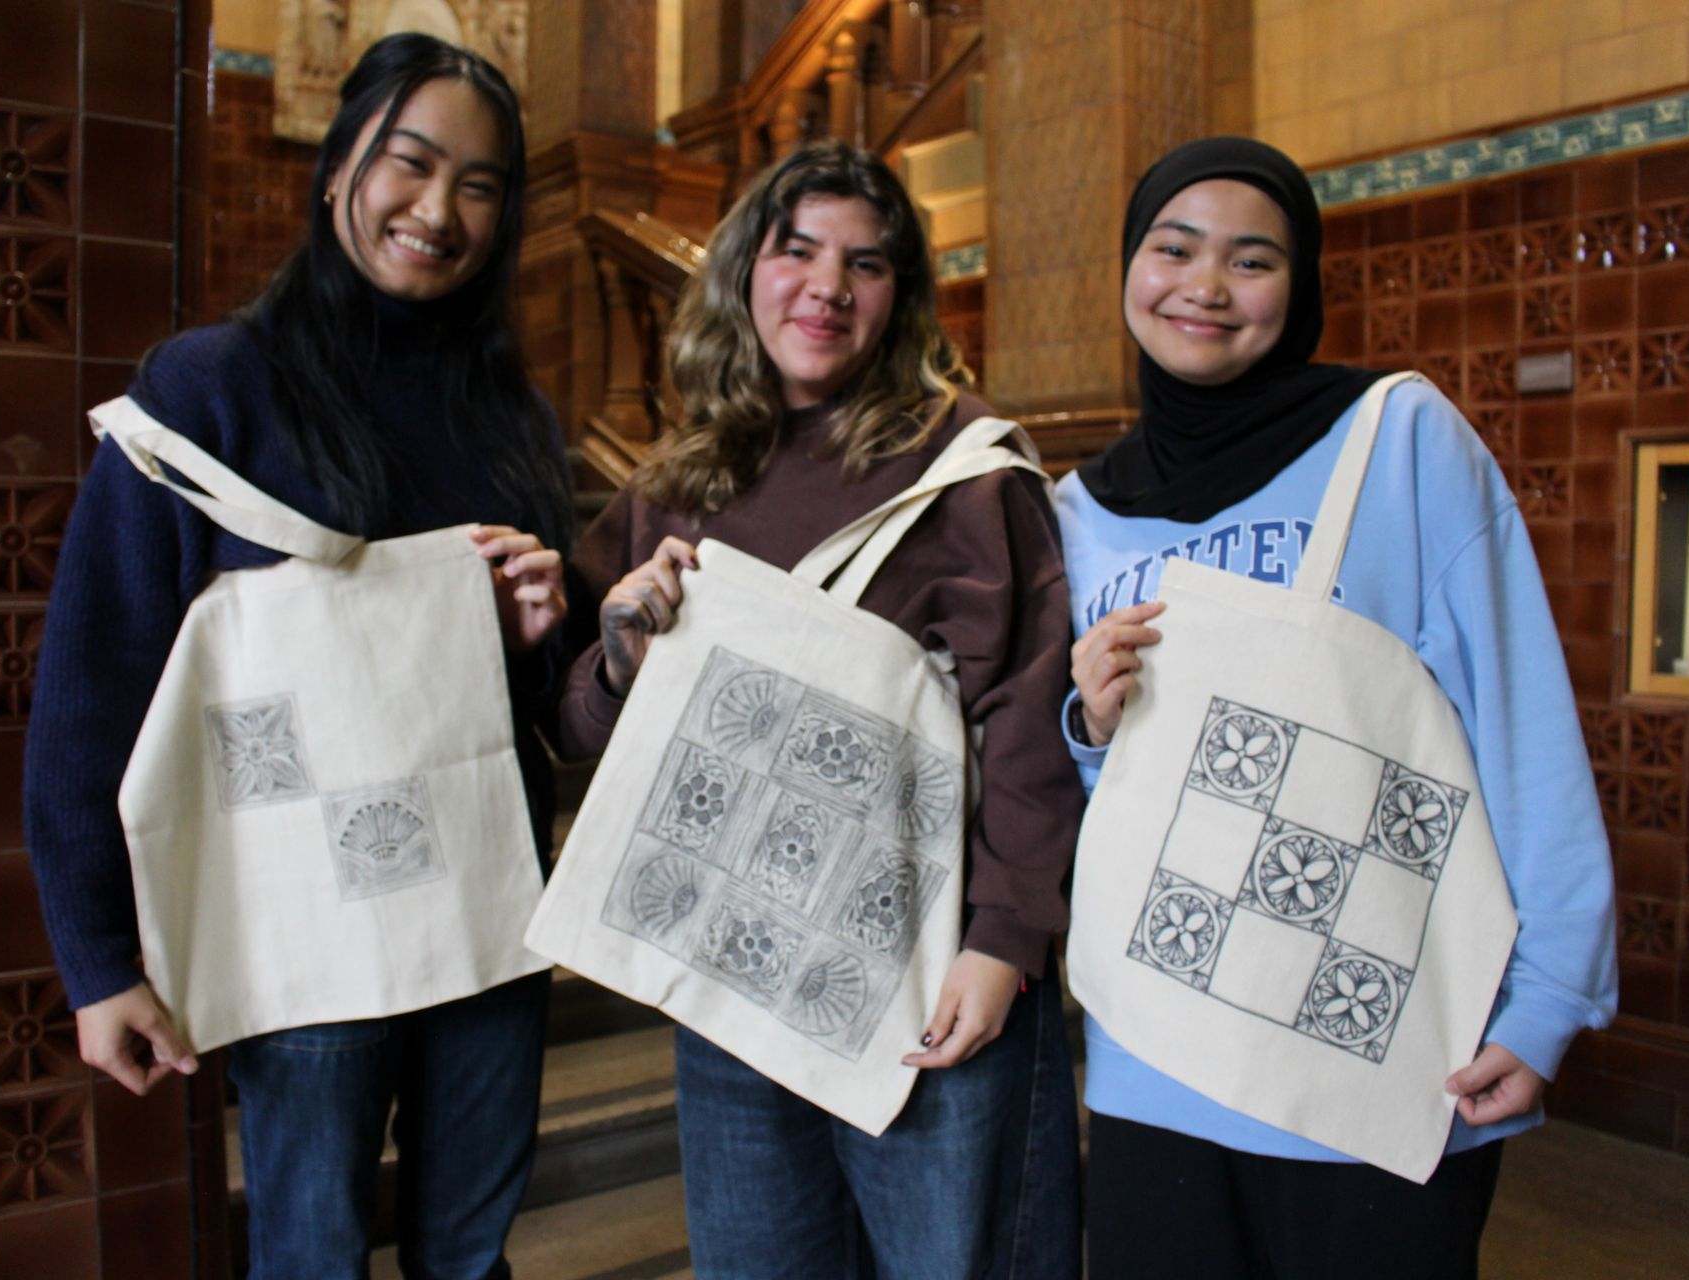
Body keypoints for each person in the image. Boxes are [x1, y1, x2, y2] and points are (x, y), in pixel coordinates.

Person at [24, 35, 571, 1280]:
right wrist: (98, 956)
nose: (437, 211)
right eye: (410, 163)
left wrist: (545, 630)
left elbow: (525, 705)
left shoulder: (514, 418)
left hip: (491, 907)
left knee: (469, 1252)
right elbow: (93, 683)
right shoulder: (212, 390)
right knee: (310, 1252)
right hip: (304, 927)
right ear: (340, 168)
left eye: (479, 185)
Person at [1059, 136, 1618, 1279]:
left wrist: (1551, 994)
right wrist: (1091, 723)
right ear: (1128, 267)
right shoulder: (1078, 508)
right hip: (1154, 1049)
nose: (1206, 285)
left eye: (1251, 259)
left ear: (1301, 285)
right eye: (1174, 248)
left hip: (1377, 1038)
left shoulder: (1397, 438)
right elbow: (1106, 800)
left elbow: (1516, 714)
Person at [556, 141, 1083, 1280]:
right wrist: (616, 657)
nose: (828, 288)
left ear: (901, 299)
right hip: (736, 976)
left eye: (867, 264)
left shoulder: (968, 468)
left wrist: (1005, 938)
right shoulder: (682, 479)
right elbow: (594, 735)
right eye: (796, 251)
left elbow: (1032, 719)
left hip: (930, 976)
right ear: (747, 267)